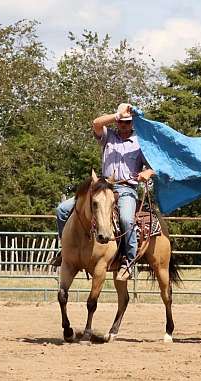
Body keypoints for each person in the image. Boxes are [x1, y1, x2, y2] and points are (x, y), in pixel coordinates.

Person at [53, 103, 155, 281]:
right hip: (103, 186)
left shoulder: (141, 144)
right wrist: (117, 114)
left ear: (133, 123)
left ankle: (127, 262)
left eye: (128, 122)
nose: (124, 125)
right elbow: (96, 123)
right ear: (117, 122)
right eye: (121, 122)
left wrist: (148, 172)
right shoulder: (109, 137)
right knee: (62, 210)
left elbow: (154, 167)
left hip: (126, 188)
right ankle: (66, 250)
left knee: (125, 219)